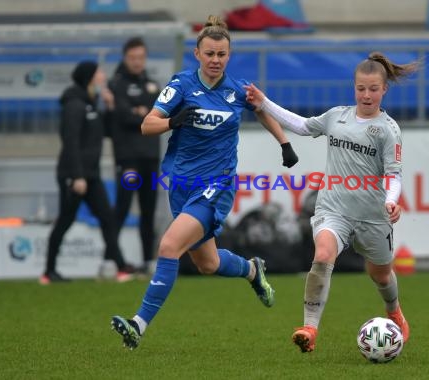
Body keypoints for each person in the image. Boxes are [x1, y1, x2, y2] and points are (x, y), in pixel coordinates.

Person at [110, 15, 299, 349]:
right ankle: (252, 270)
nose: (215, 60)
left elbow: (262, 110)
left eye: (221, 54)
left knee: (169, 247)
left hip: (217, 185)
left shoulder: (238, 90)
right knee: (208, 264)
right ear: (197, 54)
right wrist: (173, 120)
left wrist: (284, 144)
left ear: (229, 55)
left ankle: (138, 325)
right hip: (181, 184)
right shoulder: (180, 85)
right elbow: (146, 125)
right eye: (209, 53)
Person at [244, 51, 420, 352]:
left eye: (373, 89)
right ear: (354, 88)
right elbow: (301, 126)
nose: (366, 95)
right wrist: (264, 103)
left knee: (380, 274)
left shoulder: (388, 131)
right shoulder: (336, 116)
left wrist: (391, 201)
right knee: (323, 254)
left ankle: (395, 312)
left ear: (384, 89)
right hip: (333, 208)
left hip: (372, 215)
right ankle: (309, 328)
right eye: (361, 88)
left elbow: (394, 174)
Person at [40, 60, 135, 285]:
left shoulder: (92, 103)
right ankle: (48, 272)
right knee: (65, 220)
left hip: (91, 175)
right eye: (99, 72)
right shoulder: (74, 104)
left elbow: (107, 132)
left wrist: (111, 108)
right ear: (90, 77)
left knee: (107, 218)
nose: (103, 75)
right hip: (75, 174)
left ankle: (120, 266)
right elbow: (70, 141)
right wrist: (77, 176)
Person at [108, 37, 161, 275]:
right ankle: (111, 260)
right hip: (128, 158)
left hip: (150, 157)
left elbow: (157, 116)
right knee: (122, 209)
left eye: (141, 57)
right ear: (125, 58)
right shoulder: (116, 84)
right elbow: (124, 116)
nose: (137, 62)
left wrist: (138, 111)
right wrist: (141, 113)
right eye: (133, 58)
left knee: (148, 211)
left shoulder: (152, 84)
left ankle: (148, 261)